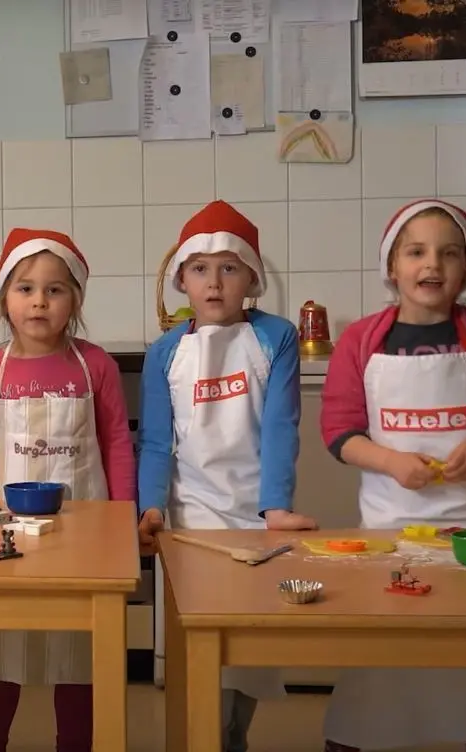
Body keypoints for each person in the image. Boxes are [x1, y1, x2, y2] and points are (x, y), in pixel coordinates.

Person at [318, 199, 466, 752]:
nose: (432, 265)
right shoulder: (362, 340)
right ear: (391, 267)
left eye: (448, 253)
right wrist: (392, 462)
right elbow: (339, 432)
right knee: (384, 651)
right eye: (415, 252)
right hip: (394, 523)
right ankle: (357, 739)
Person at [136, 200, 316, 752]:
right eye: (200, 269)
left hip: (257, 517)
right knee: (201, 651)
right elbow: (156, 442)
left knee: (250, 651)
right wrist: (151, 507)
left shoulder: (276, 337)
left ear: (252, 280)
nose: (214, 282)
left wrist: (275, 507)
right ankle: (202, 738)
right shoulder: (165, 352)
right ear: (181, 281)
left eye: (229, 268)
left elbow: (282, 426)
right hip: (191, 519)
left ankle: (234, 736)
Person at [0, 229, 136, 752]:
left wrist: (124, 520)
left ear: (75, 300)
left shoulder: (95, 365)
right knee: (0, 656)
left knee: (78, 660)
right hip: (4, 540)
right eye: (25, 288)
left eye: (55, 290)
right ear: (3, 299)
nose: (39, 300)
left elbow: (117, 445)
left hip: (85, 539)